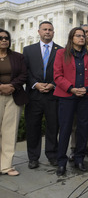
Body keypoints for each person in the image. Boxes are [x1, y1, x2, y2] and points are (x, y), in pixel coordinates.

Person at [53, 27, 88, 176]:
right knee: (66, 129)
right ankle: (61, 161)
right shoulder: (61, 53)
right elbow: (57, 75)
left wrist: (87, 88)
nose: (82, 38)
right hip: (67, 96)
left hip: (85, 97)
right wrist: (71, 88)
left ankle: (79, 158)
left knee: (83, 129)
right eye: (78, 35)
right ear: (71, 38)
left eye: (84, 36)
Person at [23, 21, 62, 169]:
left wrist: (53, 83)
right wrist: (35, 84)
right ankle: (33, 157)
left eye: (50, 30)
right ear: (39, 32)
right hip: (34, 95)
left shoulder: (61, 51)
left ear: (53, 32)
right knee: (33, 127)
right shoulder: (28, 50)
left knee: (53, 127)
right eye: (44, 29)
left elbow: (62, 72)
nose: (47, 32)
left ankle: (52, 155)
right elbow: (25, 71)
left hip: (53, 95)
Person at [0, 28, 28, 176]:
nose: (4, 40)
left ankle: (6, 166)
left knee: (10, 131)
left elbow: (24, 74)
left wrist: (11, 86)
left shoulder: (18, 57)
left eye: (6, 38)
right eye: (1, 38)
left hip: (13, 96)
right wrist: (1, 87)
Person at [69, 24, 88, 160]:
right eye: (85, 32)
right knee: (75, 122)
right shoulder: (70, 51)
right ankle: (74, 147)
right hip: (74, 92)